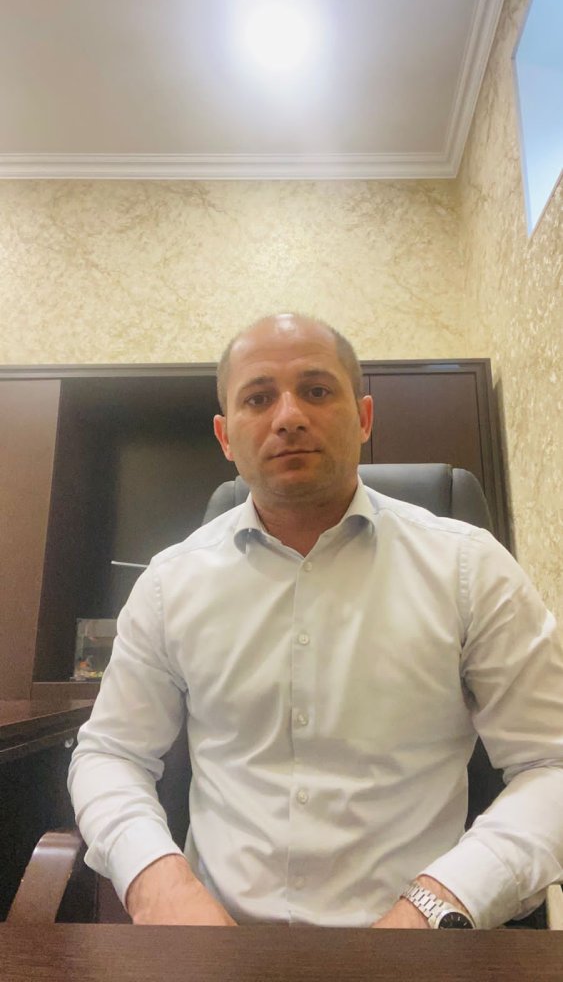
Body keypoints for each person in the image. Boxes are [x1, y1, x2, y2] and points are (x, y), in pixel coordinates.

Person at [68, 313, 563, 930]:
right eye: (258, 398)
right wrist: (157, 885)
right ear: (225, 436)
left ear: (364, 417)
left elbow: (551, 764)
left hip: (414, 948)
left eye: (317, 390)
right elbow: (111, 754)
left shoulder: (470, 568)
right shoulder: (170, 584)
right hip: (220, 948)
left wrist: (439, 905)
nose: (288, 416)